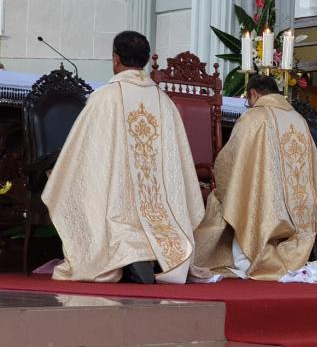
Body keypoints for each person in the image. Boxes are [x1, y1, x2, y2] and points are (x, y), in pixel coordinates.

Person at [42, 31, 205, 283]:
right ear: (146, 60)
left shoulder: (104, 98)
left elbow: (83, 155)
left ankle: (127, 251)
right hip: (162, 213)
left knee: (74, 180)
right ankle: (159, 252)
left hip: (118, 207)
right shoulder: (164, 102)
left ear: (115, 59)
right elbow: (177, 163)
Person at [193, 74, 317, 280]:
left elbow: (229, 162)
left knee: (235, 198)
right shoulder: (299, 119)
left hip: (267, 205)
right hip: (300, 209)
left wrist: (223, 188)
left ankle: (247, 259)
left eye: (247, 100)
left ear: (253, 93)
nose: (248, 105)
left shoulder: (253, 118)